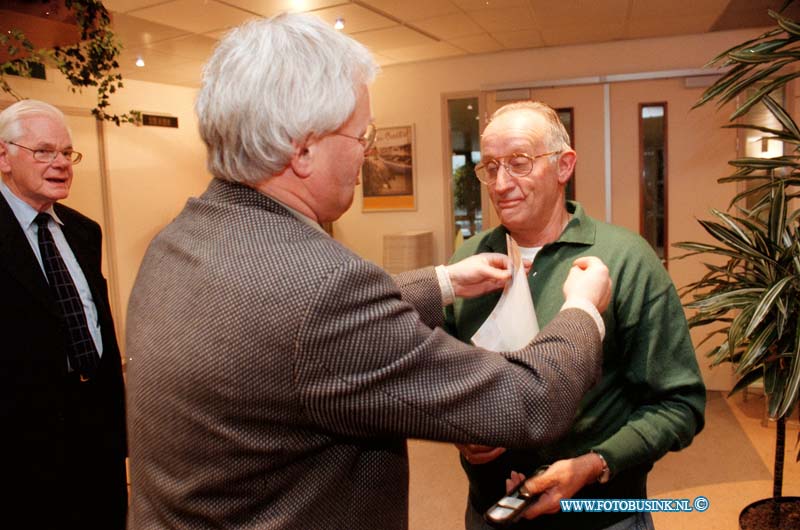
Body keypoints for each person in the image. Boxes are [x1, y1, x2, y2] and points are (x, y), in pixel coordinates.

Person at [125, 13, 613, 530]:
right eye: (361, 135)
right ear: (305, 147)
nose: (367, 153)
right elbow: (529, 402)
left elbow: (277, 322)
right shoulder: (323, 289)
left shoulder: (177, 238)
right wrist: (582, 308)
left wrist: (445, 282)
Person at [445, 101, 706, 530]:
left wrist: (595, 463)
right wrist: (461, 432)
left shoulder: (625, 260)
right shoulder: (466, 262)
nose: (500, 183)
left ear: (564, 166)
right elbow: (443, 378)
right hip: (491, 512)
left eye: (519, 163)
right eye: (490, 167)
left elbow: (680, 405)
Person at [0, 99, 127, 529]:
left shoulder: (84, 230)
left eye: (66, 153)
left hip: (96, 434)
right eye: (43, 151)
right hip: (23, 447)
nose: (60, 164)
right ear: (3, 156)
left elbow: (97, 326)